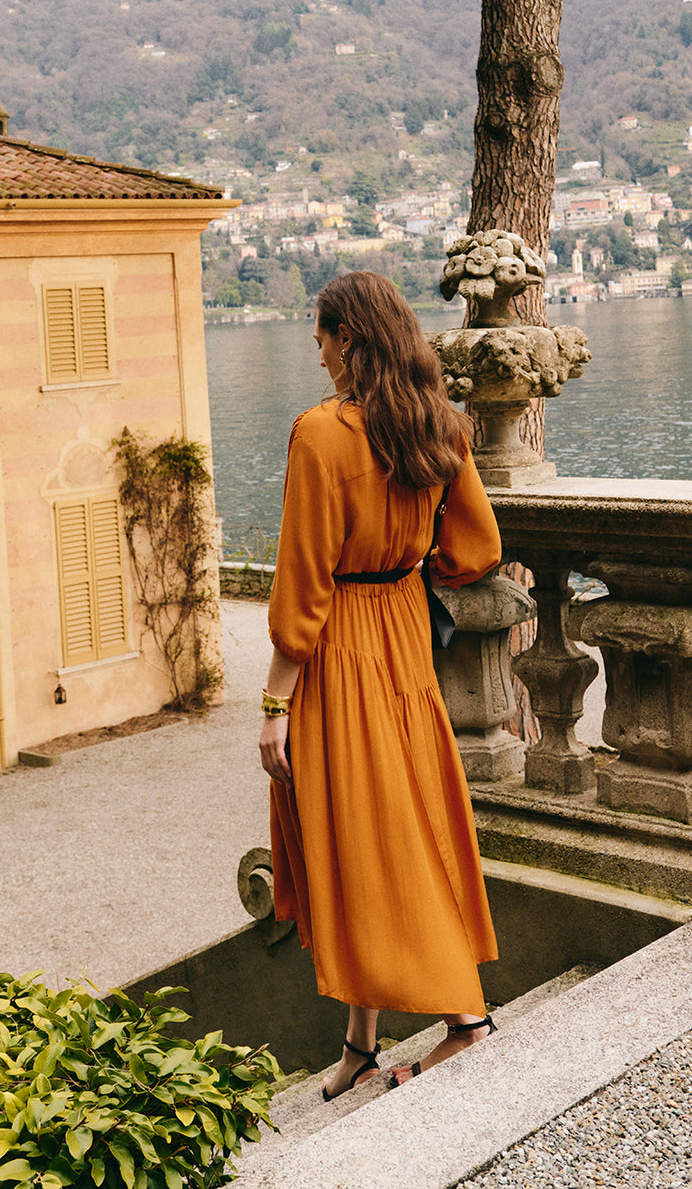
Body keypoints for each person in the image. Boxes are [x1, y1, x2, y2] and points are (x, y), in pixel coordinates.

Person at [258, 271, 503, 1098]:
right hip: (404, 635)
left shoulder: (321, 437)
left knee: (362, 835)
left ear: (350, 339)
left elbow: (303, 587)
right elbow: (476, 551)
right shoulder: (440, 426)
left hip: (343, 650)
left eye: (322, 335)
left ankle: (465, 1020)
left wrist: (272, 708)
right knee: (394, 821)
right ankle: (361, 1042)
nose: (316, 351)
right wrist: (407, 566)